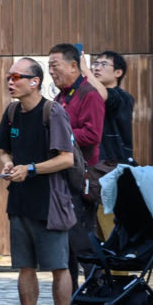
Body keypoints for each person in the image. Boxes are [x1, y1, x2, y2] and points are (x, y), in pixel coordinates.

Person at [0, 58, 77, 305]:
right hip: (19, 201)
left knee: (58, 265)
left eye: (17, 77)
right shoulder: (12, 112)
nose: (10, 82)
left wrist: (29, 169)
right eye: (8, 77)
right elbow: (5, 150)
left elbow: (67, 158)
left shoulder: (52, 112)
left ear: (35, 81)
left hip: (50, 202)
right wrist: (8, 164)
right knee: (24, 266)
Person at [47, 43, 103, 291]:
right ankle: (70, 301)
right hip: (63, 179)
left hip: (82, 180)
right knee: (66, 243)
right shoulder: (61, 96)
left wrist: (58, 135)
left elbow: (92, 135)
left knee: (82, 241)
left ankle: (98, 295)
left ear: (73, 66)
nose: (51, 71)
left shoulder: (89, 94)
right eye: (49, 66)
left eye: (55, 65)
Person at [91, 50, 135, 165]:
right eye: (96, 64)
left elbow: (106, 96)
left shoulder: (123, 97)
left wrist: (85, 71)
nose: (97, 68)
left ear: (118, 73)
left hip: (115, 164)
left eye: (104, 64)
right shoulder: (92, 96)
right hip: (97, 163)